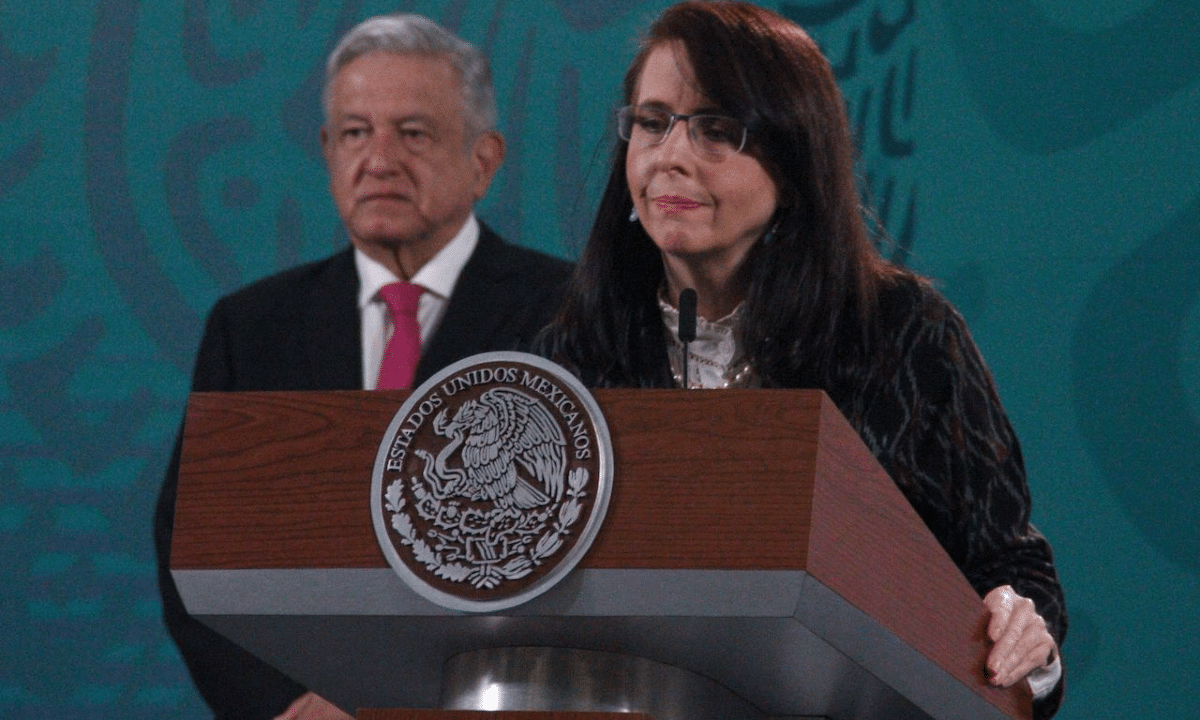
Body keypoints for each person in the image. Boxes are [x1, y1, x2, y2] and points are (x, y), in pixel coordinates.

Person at [536, 2, 1067, 718]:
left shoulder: (905, 334)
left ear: (795, 165)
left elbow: (1008, 562)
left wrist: (1020, 634)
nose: (671, 155)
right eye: (653, 121)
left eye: (719, 129)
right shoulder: (571, 353)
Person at [154, 13, 571, 720]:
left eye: (412, 133)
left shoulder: (570, 316)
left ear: (484, 159)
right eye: (355, 132)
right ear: (326, 150)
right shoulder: (252, 328)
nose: (378, 159)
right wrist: (284, 705)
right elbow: (190, 551)